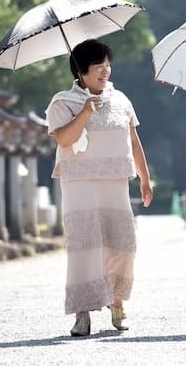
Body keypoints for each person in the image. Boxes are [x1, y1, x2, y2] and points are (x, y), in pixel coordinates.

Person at [45, 39, 153, 337]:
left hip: (115, 182)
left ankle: (117, 302)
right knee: (84, 247)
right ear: (82, 72)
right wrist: (85, 113)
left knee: (124, 245)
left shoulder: (121, 100)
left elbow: (133, 141)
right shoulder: (62, 102)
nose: (105, 70)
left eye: (107, 64)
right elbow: (65, 140)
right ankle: (82, 313)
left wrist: (145, 178)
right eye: (98, 66)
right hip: (80, 185)